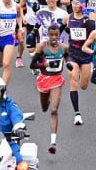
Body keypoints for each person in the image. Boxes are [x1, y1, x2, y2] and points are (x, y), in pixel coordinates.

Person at [29, 24, 70, 155]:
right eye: (51, 35)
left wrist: (68, 63)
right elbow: (32, 64)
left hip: (57, 80)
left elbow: (68, 56)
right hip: (44, 80)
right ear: (48, 35)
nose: (53, 38)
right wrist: (44, 64)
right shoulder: (42, 47)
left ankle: (53, 143)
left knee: (53, 110)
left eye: (56, 35)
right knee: (44, 108)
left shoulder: (63, 47)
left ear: (59, 36)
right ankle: (47, 100)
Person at [61, 0, 96, 125]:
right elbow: (58, 32)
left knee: (84, 86)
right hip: (72, 53)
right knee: (73, 80)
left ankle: (84, 73)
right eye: (73, 3)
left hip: (86, 54)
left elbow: (93, 31)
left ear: (83, 5)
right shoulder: (68, 18)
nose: (74, 5)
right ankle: (77, 114)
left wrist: (88, 20)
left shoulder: (89, 17)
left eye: (77, 3)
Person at [0, 0, 25, 85]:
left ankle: (2, 90)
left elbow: (19, 16)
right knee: (0, 64)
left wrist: (20, 27)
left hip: (9, 37)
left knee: (6, 64)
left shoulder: (16, 6)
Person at [0, 78, 27, 167]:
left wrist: (19, 126)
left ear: (2, 91)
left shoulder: (9, 104)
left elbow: (16, 115)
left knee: (22, 166)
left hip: (7, 143)